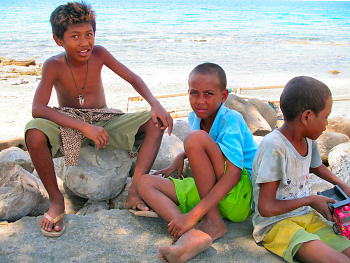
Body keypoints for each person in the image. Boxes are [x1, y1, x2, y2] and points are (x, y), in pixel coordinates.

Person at [24, 2, 173, 237]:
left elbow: (132, 78)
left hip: (103, 119)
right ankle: (56, 201)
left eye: (88, 34)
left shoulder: (100, 53)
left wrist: (154, 103)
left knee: (156, 122)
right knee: (33, 133)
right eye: (75, 36)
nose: (84, 43)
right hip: (70, 121)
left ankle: (135, 190)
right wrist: (84, 127)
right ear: (58, 40)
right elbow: (38, 108)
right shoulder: (53, 65)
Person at [136, 63, 258, 262]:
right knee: (143, 182)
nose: (200, 101)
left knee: (194, 139)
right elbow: (205, 141)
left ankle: (212, 221)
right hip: (214, 194)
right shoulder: (194, 117)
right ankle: (191, 234)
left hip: (241, 194)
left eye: (208, 94)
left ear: (224, 95)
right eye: (194, 93)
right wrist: (181, 156)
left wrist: (194, 214)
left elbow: (234, 174)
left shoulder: (231, 120)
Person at [251, 76, 350, 263]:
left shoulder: (308, 139)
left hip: (306, 216)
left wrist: (340, 183)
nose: (327, 123)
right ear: (307, 117)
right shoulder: (274, 147)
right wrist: (312, 199)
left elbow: (316, 167)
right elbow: (266, 207)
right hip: (277, 224)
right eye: (325, 117)